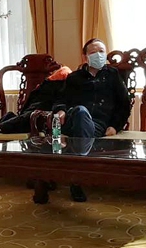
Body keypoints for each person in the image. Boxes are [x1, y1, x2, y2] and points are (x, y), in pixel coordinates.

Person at [52, 38, 132, 202]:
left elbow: (124, 104)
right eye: (93, 52)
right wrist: (60, 110)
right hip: (74, 120)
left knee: (82, 120)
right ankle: (79, 177)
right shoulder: (74, 77)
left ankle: (76, 178)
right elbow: (61, 99)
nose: (98, 55)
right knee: (80, 112)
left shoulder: (112, 75)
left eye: (101, 51)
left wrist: (115, 126)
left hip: (98, 124)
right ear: (85, 57)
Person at [0, 66, 72, 134]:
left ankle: (8, 120)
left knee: (15, 123)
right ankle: (8, 121)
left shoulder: (55, 83)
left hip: (37, 111)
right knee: (18, 122)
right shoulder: (62, 83)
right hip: (38, 111)